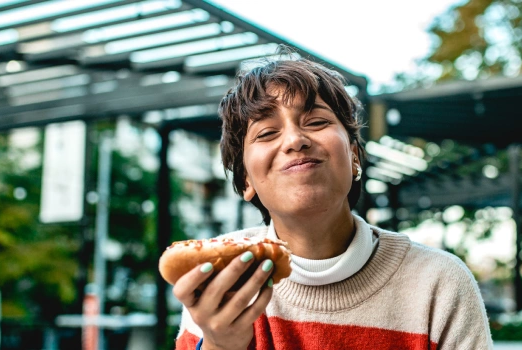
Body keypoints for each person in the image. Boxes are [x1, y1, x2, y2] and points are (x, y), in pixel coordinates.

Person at [170, 56, 494, 349]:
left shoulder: (438, 284)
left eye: (316, 122)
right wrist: (220, 344)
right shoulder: (218, 279)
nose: (296, 140)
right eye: (267, 133)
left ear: (354, 156)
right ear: (246, 181)